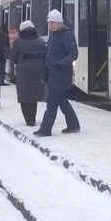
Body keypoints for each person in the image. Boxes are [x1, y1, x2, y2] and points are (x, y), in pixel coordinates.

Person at [33, 9, 80, 137]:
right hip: (53, 74)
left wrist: (61, 64)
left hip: (60, 75)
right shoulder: (54, 36)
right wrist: (34, 55)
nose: (50, 25)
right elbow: (49, 54)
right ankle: (73, 125)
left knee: (51, 103)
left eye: (53, 22)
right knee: (63, 102)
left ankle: (45, 129)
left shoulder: (66, 35)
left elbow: (73, 53)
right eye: (49, 23)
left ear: (59, 23)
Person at [9, 20, 46, 126]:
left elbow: (12, 57)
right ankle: (33, 118)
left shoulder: (18, 42)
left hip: (23, 72)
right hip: (38, 72)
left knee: (24, 96)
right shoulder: (40, 41)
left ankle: (29, 120)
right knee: (34, 95)